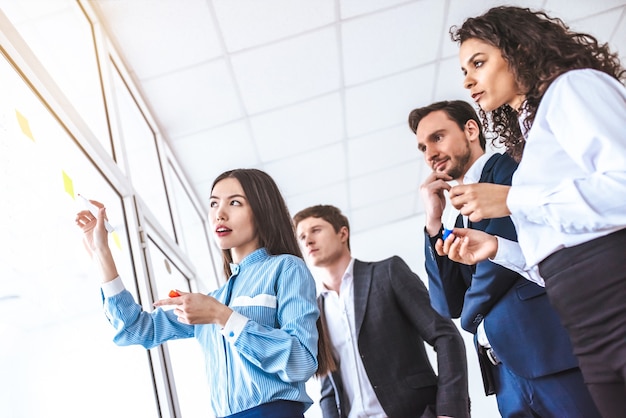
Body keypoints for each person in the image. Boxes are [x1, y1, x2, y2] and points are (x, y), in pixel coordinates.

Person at [438, 6, 626, 417]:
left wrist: (512, 201)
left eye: (479, 62)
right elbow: (555, 261)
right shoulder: (532, 138)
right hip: (584, 327)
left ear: (520, 49)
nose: (468, 80)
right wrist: (496, 248)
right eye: (464, 70)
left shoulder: (573, 88)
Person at [75, 168, 322, 418]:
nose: (219, 214)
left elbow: (301, 361)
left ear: (261, 211)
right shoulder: (213, 300)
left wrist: (223, 317)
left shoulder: (286, 268)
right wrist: (101, 253)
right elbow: (135, 329)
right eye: (214, 204)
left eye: (234, 202)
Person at [409, 99, 600, 417]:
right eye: (422, 147)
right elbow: (447, 304)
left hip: (549, 352)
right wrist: (433, 224)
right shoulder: (460, 222)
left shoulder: (511, 171)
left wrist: (470, 316)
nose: (430, 153)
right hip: (504, 374)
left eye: (437, 137)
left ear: (471, 129)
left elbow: (495, 270)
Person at [293, 204, 470, 418]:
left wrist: (449, 410)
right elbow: (329, 387)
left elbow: (445, 336)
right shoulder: (314, 313)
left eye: (316, 230)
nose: (308, 240)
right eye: (301, 237)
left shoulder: (387, 273)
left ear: (342, 233)